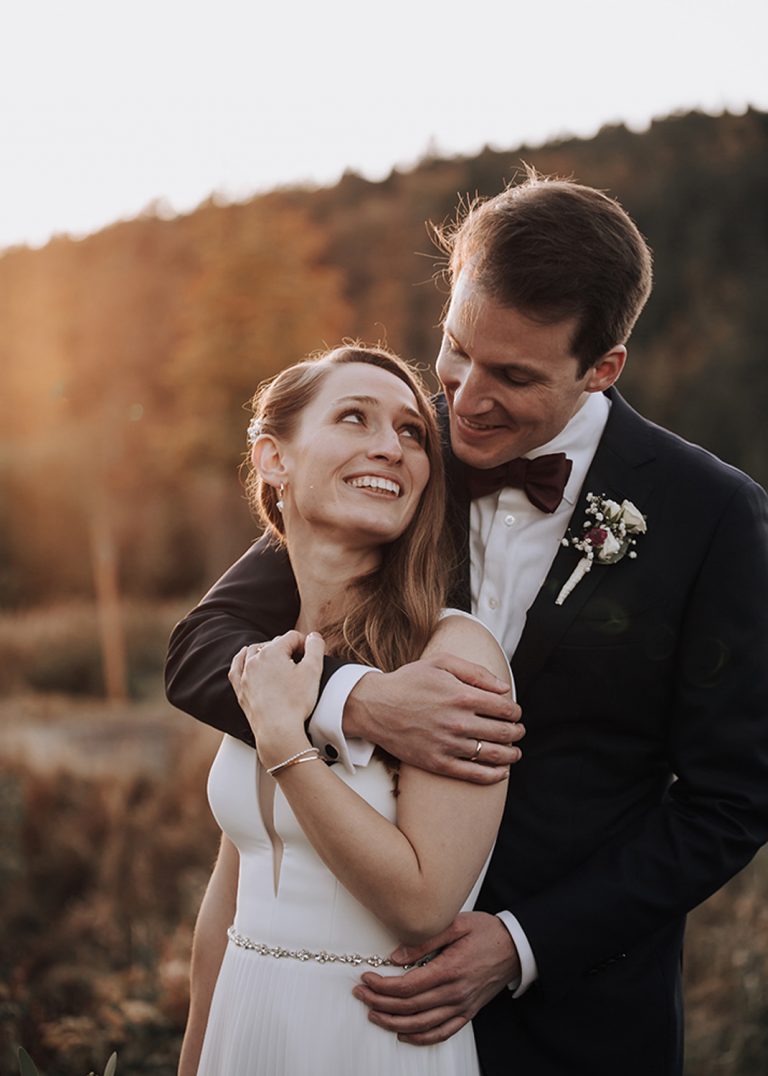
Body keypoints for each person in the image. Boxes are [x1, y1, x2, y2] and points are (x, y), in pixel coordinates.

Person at [167, 173, 768, 1076]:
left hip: (574, 1016)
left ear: (602, 369)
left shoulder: (710, 513)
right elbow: (202, 649)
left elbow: (732, 799)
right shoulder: (393, 463)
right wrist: (355, 703)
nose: (467, 399)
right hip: (347, 1006)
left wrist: (524, 943)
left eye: (514, 376)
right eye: (456, 350)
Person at [177, 344, 514, 1076]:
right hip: (244, 1028)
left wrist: (285, 746)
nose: (390, 446)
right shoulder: (269, 655)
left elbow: (423, 904)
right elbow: (227, 907)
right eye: (355, 417)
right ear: (274, 459)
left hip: (370, 1038)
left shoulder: (452, 655)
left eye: (411, 432)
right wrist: (198, 1052)